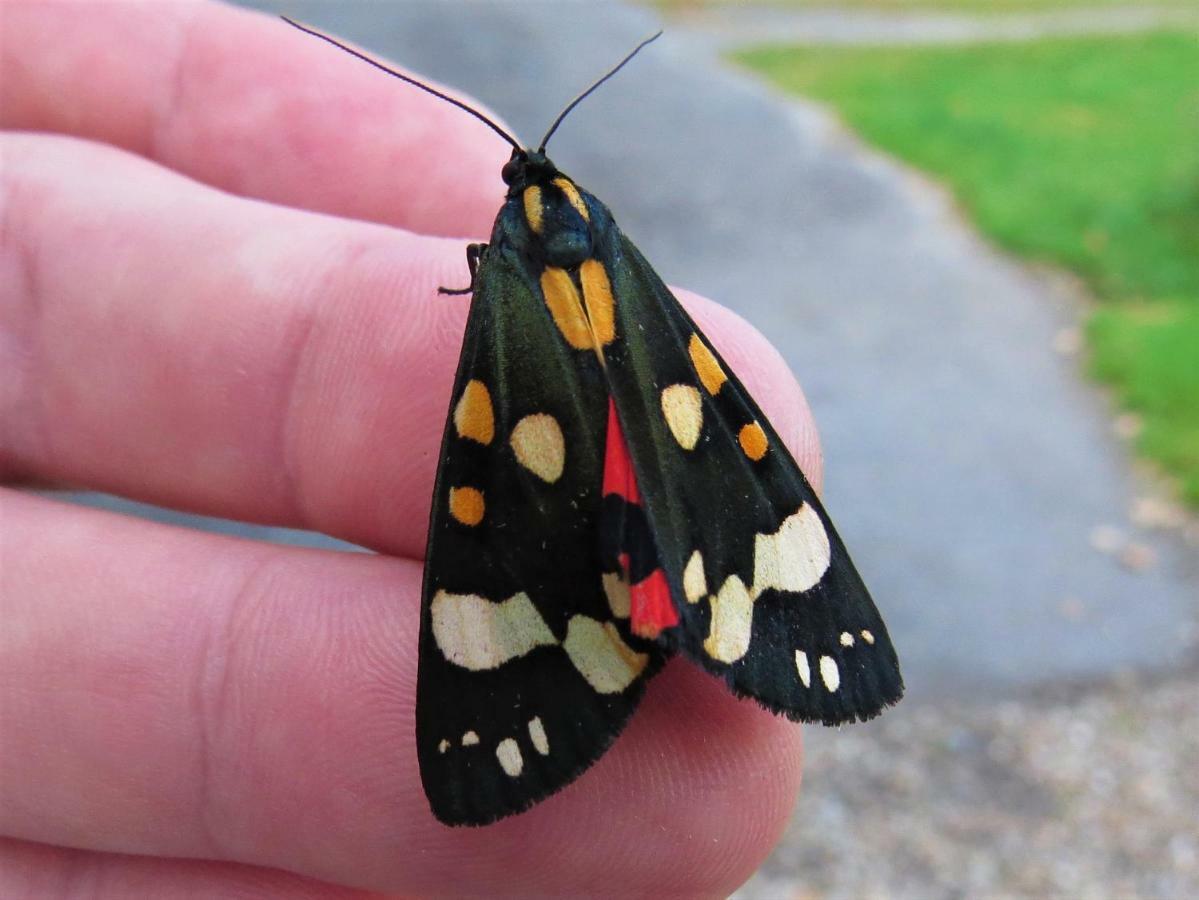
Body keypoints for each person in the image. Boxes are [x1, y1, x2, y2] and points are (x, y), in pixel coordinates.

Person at [0, 1, 820, 894]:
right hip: (639, 400)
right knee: (697, 424)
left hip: (522, 398)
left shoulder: (501, 257)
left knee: (503, 481)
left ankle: (629, 606)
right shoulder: (600, 244)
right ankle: (662, 587)